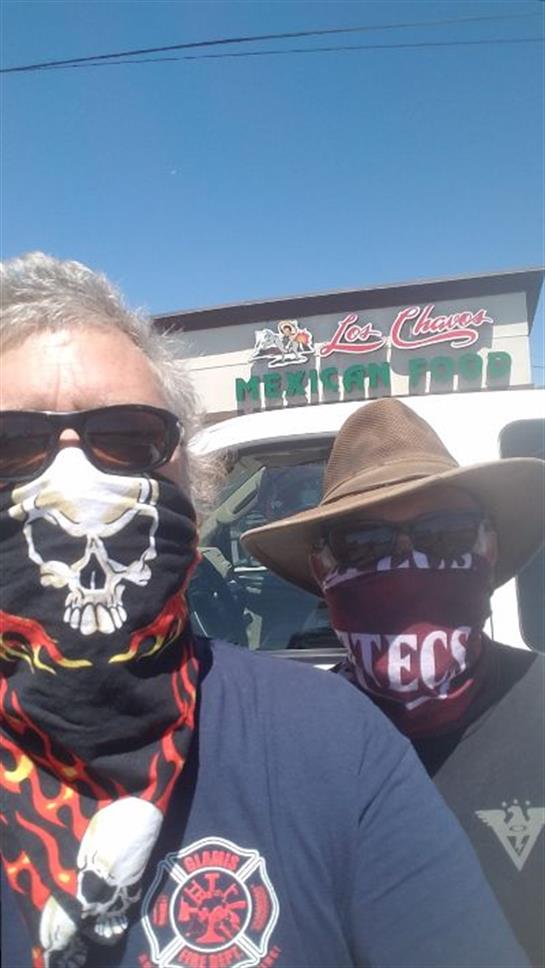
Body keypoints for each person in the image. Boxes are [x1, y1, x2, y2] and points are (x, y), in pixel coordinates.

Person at [0, 254, 529, 968]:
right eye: (11, 444)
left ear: (191, 487)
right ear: (322, 572)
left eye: (128, 439)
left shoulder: (332, 739)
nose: (75, 481)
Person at [242, 397, 545, 967]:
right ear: (323, 570)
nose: (405, 564)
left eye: (446, 533)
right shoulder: (292, 749)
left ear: (488, 548)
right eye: (363, 544)